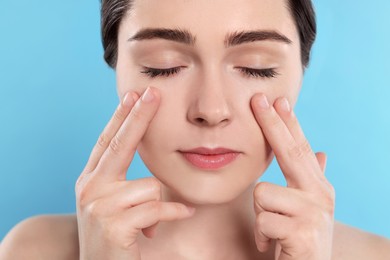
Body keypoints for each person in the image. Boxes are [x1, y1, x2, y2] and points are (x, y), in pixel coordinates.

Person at [1, 0, 390, 259]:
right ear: (116, 68)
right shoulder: (33, 250)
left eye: (256, 67)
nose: (211, 109)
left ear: (299, 73)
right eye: (163, 65)